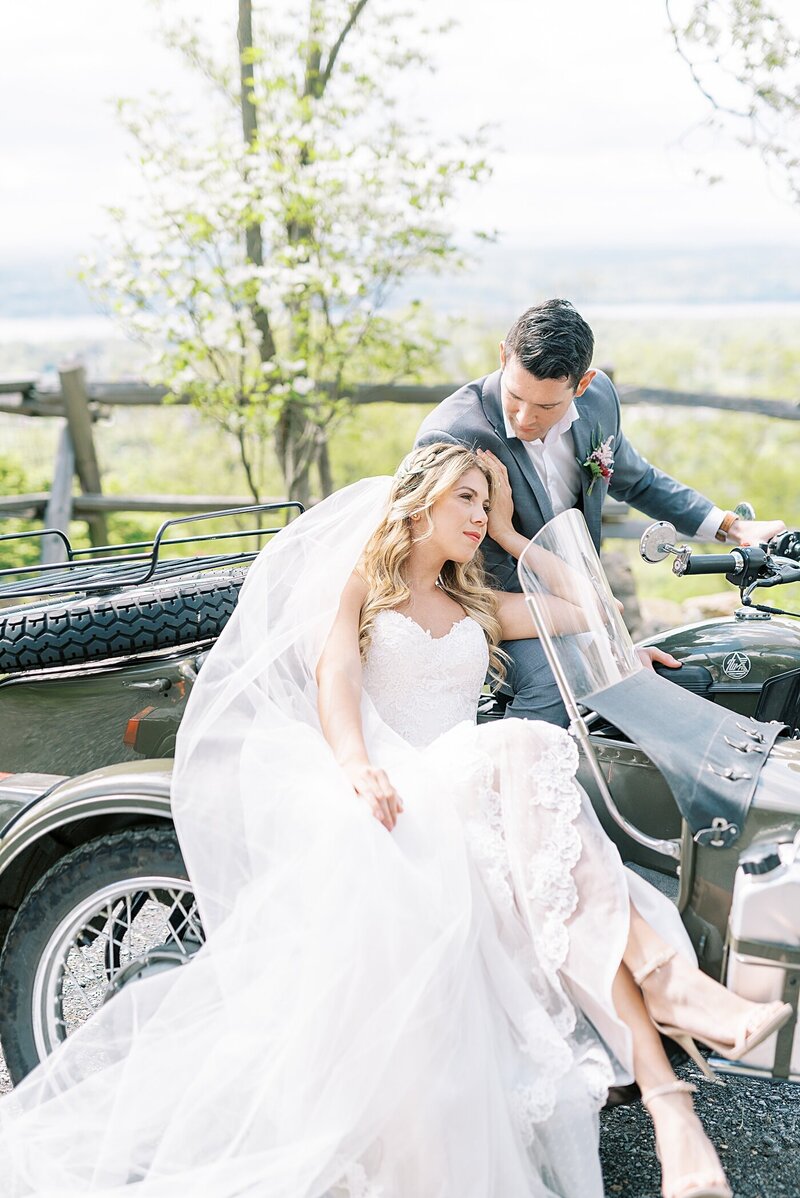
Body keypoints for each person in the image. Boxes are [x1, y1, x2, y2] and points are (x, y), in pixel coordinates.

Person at [0, 443, 790, 1198]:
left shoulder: (475, 605)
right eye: (468, 498)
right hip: (397, 782)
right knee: (525, 749)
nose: (481, 515)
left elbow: (583, 606)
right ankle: (675, 1018)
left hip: (466, 783)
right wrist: (354, 764)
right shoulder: (360, 591)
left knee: (563, 884)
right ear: (418, 502)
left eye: (489, 503)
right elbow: (335, 678)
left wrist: (517, 533)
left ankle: (671, 1103)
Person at [416, 298, 787, 726]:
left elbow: (638, 479)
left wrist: (732, 527)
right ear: (503, 356)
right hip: (492, 599)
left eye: (546, 408)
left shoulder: (599, 402)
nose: (523, 418)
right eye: (515, 397)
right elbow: (431, 550)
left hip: (577, 593)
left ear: (583, 383)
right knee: (557, 684)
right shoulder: (455, 432)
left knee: (656, 680)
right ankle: (519, 782)